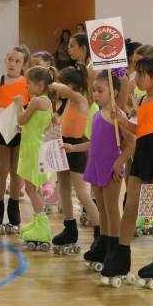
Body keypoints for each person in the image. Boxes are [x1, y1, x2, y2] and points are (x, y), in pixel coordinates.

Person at [101, 56, 153, 287]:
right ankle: (121, 256)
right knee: (131, 206)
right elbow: (140, 129)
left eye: (141, 74)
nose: (137, 78)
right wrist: (122, 120)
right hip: (142, 158)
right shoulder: (142, 99)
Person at [70, 72, 135, 271]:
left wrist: (119, 163)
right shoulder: (97, 113)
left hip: (111, 167)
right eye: (94, 90)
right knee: (102, 208)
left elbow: (131, 143)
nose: (95, 94)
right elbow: (94, 143)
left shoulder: (118, 115)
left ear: (113, 92)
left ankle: (114, 248)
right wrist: (74, 148)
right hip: (95, 164)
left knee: (112, 208)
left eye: (100, 90)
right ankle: (104, 244)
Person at [50, 65, 100, 253]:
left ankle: (100, 232)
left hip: (76, 147)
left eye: (63, 84)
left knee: (81, 193)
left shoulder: (80, 100)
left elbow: (62, 89)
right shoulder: (69, 102)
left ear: (71, 85)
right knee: (63, 187)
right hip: (63, 145)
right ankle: (69, 227)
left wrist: (50, 81)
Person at [0, 46, 30, 235]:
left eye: (17, 61)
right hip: (2, 129)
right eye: (10, 59)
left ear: (24, 64)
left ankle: (14, 210)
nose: (13, 63)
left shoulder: (27, 83)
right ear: (5, 60)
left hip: (20, 129)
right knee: (2, 170)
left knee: (17, 170)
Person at [14, 66, 55, 251]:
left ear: (39, 84)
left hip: (32, 149)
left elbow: (21, 120)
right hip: (36, 146)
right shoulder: (48, 102)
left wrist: (18, 104)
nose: (26, 87)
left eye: (28, 83)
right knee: (33, 187)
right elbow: (44, 126)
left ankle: (42, 226)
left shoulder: (36, 101)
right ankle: (37, 221)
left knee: (31, 188)